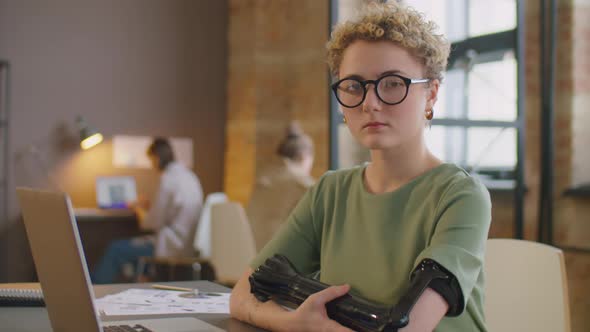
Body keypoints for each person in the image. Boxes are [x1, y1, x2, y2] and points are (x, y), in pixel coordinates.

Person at [229, 2, 491, 332]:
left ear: (431, 94)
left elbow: (405, 327)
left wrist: (319, 326)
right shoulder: (330, 191)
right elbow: (242, 296)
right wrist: (295, 323)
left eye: (393, 83)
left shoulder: (461, 195)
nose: (370, 103)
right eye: (354, 86)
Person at [92, 137, 203, 284]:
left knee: (115, 249)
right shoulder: (190, 177)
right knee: (132, 254)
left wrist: (137, 207)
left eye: (151, 161)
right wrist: (148, 206)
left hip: (170, 245)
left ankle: (93, 290)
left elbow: (151, 223)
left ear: (156, 158)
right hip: (188, 244)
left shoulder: (168, 180)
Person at [247, 122, 315, 251]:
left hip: (249, 259)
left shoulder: (263, 179)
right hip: (280, 263)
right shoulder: (303, 184)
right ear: (304, 157)